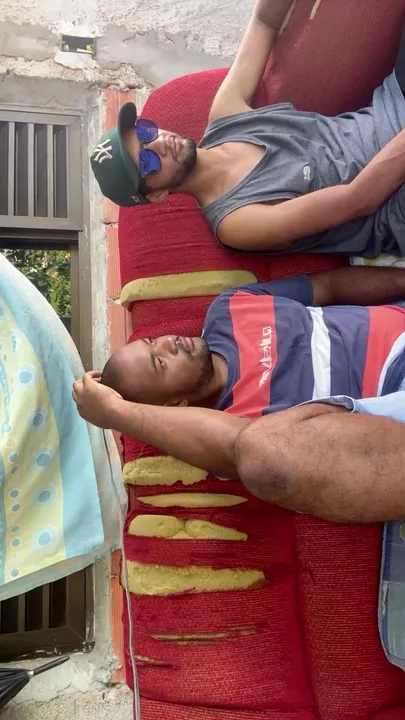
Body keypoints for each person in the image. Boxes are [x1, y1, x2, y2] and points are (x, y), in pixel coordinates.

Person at [73, 266, 405, 519]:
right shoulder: (228, 427)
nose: (169, 343)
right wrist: (114, 412)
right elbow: (249, 451)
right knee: (257, 448)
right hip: (394, 395)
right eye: (159, 363)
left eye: (152, 342)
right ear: (175, 405)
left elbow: (328, 286)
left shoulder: (228, 308)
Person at [91, 0, 405, 258]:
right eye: (148, 162)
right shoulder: (235, 222)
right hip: (394, 202)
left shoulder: (227, 114)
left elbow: (263, 23)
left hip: (392, 107)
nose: (158, 144)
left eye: (145, 133)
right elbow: (357, 199)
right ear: (158, 194)